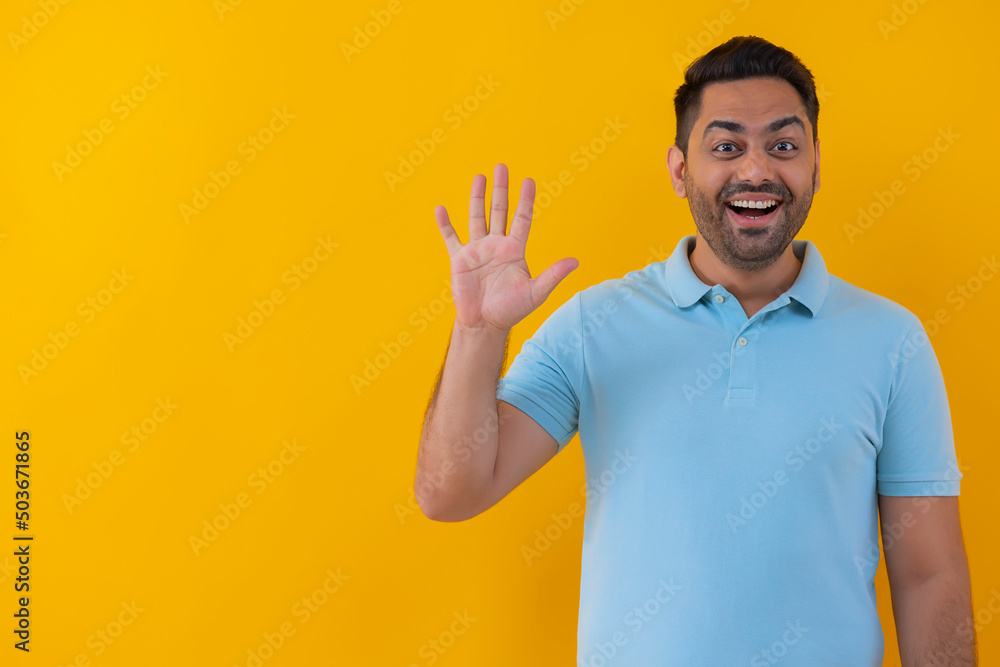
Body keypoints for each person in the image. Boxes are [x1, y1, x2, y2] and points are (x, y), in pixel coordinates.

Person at [414, 35, 975, 666]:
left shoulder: (892, 340)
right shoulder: (594, 325)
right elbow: (448, 493)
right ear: (681, 171)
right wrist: (479, 331)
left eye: (783, 146)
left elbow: (929, 576)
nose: (757, 171)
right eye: (727, 146)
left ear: (816, 165)